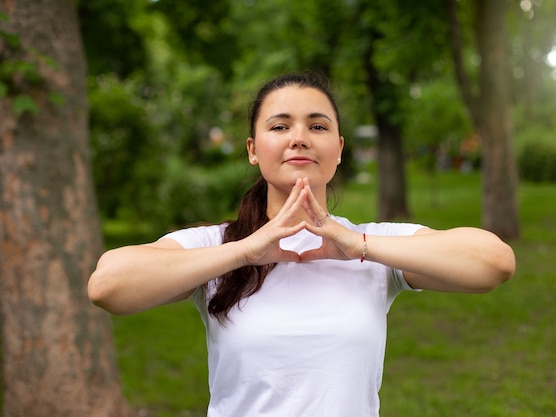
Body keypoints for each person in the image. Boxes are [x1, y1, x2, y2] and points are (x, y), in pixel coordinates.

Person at [88, 72, 516, 417]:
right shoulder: (214, 246)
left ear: (339, 149)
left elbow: (493, 262)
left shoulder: (373, 246)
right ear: (253, 150)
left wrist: (358, 244)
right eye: (280, 126)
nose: (299, 137)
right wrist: (246, 251)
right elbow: (107, 286)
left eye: (317, 125)